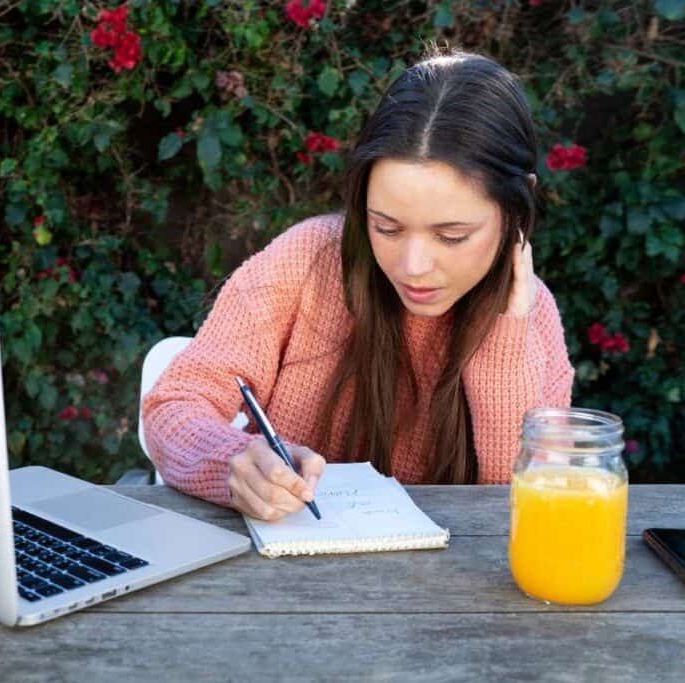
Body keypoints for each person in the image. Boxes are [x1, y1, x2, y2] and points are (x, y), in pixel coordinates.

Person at [141, 48, 574, 522]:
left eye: (451, 236)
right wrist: (233, 465)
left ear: (516, 207)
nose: (412, 266)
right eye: (386, 227)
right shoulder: (307, 261)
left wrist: (505, 341)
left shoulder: (534, 316)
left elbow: (526, 507)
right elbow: (174, 404)